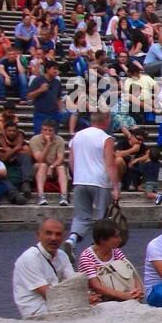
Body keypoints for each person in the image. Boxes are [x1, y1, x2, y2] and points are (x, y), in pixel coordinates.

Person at [66, 110, 120, 256]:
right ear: (106, 120)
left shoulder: (77, 136)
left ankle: (72, 239)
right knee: (102, 217)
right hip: (99, 181)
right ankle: (96, 249)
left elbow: (71, 160)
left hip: (80, 179)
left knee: (81, 215)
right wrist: (115, 187)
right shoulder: (106, 138)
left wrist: (76, 174)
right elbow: (110, 164)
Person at [12, 217, 76, 317]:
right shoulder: (29, 258)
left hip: (57, 305)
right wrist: (81, 299)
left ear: (63, 237)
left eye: (58, 234)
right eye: (48, 233)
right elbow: (48, 294)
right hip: (37, 313)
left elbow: (73, 283)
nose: (54, 238)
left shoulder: (62, 255)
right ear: (39, 235)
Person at [78, 219, 144, 305]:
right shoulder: (86, 258)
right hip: (101, 301)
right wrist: (126, 296)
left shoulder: (116, 252)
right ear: (102, 239)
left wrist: (137, 290)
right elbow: (96, 286)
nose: (120, 240)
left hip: (124, 295)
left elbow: (130, 271)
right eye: (116, 237)